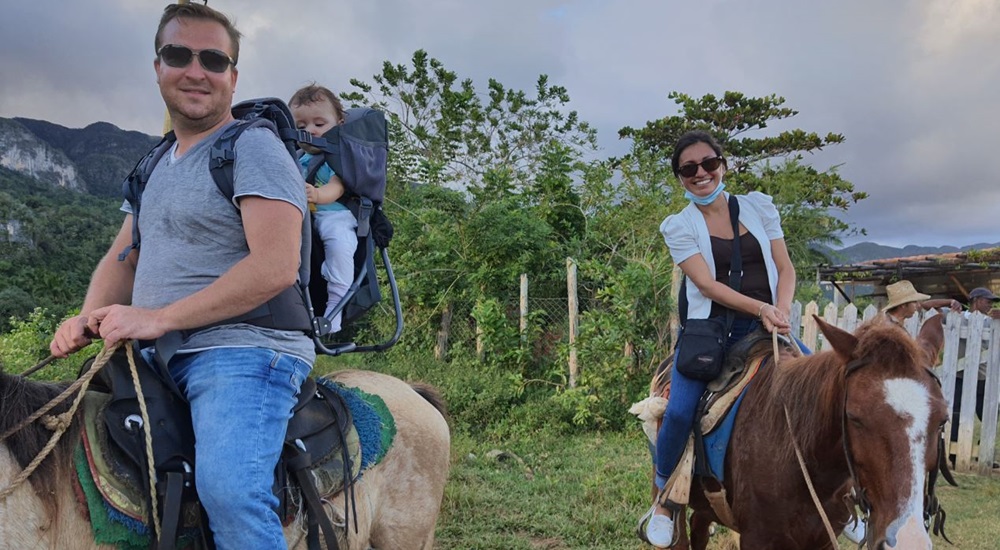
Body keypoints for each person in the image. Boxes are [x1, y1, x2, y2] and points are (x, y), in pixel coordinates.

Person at [49, 4, 313, 549]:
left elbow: (275, 266)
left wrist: (156, 317)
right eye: (179, 54)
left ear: (232, 77)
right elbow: (124, 257)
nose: (196, 70)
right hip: (154, 349)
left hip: (244, 348)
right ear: (158, 67)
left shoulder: (252, 147)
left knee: (230, 493)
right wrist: (86, 313)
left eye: (213, 59)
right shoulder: (152, 165)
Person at [638, 130, 796, 548]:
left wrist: (779, 310)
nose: (701, 173)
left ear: (723, 164)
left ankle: (844, 498)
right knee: (678, 413)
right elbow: (707, 286)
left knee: (835, 390)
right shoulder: (679, 226)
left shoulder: (759, 207)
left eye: (709, 163)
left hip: (768, 331)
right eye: (689, 169)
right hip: (711, 337)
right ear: (680, 178)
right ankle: (665, 499)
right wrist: (761, 308)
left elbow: (786, 267)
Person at [289, 84, 358, 332]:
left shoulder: (338, 156)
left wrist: (317, 194)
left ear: (339, 124)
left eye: (319, 124)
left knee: (340, 247)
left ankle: (335, 310)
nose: (310, 131)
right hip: (304, 218)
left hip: (336, 215)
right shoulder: (297, 159)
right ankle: (289, 290)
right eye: (301, 127)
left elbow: (337, 187)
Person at [951, 287, 1000, 445]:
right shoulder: (958, 317)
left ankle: (984, 449)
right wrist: (950, 301)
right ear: (976, 300)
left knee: (989, 413)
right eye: (988, 301)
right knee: (956, 412)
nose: (990, 305)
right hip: (960, 374)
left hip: (982, 375)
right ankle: (954, 449)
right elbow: (927, 307)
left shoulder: (992, 321)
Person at [880, 280, 960, 326]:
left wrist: (951, 301)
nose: (918, 305)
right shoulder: (888, 327)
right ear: (903, 305)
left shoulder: (895, 322)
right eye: (914, 302)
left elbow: (925, 305)